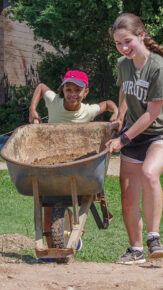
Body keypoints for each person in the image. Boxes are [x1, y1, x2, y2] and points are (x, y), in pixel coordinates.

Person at [106, 13, 163, 264]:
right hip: (133, 134)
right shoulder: (123, 64)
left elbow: (152, 113)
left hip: (162, 133)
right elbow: (124, 90)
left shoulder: (157, 66)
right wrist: (119, 116)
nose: (124, 48)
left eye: (127, 41)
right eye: (118, 43)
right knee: (127, 199)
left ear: (141, 36)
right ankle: (135, 250)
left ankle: (154, 238)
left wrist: (123, 138)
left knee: (149, 173)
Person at [29, 69, 118, 251]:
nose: (73, 94)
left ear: (86, 92)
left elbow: (108, 103)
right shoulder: (54, 102)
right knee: (48, 207)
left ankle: (70, 236)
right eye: (68, 89)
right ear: (62, 90)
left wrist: (116, 112)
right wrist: (32, 109)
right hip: (52, 163)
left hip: (78, 166)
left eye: (78, 90)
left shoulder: (87, 110)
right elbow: (40, 86)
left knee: (72, 200)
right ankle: (51, 247)